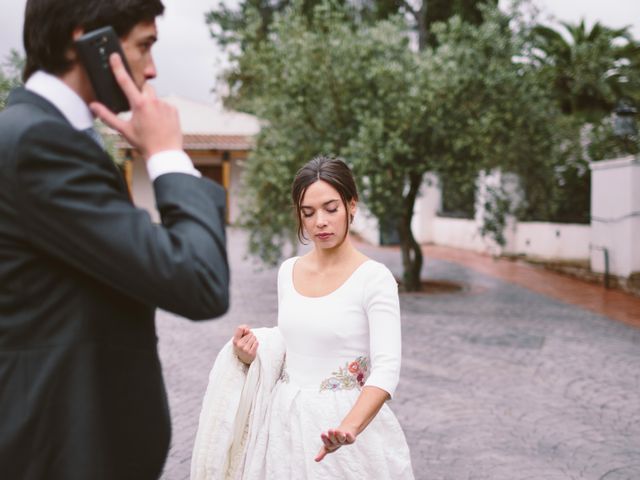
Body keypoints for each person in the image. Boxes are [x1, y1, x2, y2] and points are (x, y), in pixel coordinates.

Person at [0, 1, 229, 479]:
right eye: (144, 45)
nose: (152, 68)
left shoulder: (40, 134)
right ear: (88, 41)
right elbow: (197, 280)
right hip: (58, 454)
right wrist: (167, 156)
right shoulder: (39, 144)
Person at [191, 156, 413, 479]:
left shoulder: (374, 279)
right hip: (283, 425)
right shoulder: (288, 271)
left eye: (330, 208)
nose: (319, 221)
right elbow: (291, 343)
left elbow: (387, 368)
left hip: (345, 426)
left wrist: (348, 429)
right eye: (308, 213)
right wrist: (249, 354)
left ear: (352, 205)